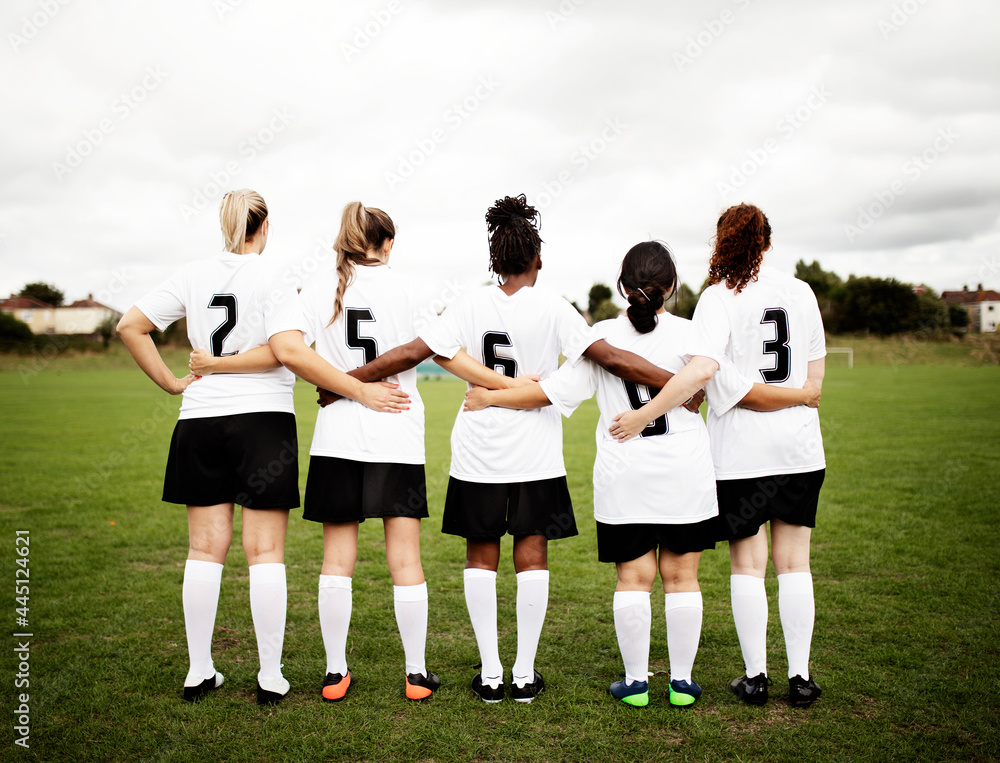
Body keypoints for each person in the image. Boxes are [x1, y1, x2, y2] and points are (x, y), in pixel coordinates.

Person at [195, 201, 529, 703]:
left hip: (337, 437)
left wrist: (341, 385)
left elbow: (293, 352)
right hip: (397, 432)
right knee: (405, 559)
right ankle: (416, 675)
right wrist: (505, 383)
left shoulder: (320, 286)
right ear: (388, 244)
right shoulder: (410, 288)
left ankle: (335, 674)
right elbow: (444, 353)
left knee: (337, 560)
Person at [464, 240, 820, 708]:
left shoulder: (601, 336)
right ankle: (683, 685)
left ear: (621, 287)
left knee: (633, 580)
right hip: (685, 473)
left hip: (623, 473)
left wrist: (494, 395)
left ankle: (635, 684)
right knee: (682, 578)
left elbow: (550, 392)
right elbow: (721, 390)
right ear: (671, 288)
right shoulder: (696, 334)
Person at [117, 189, 409, 706]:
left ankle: (199, 671)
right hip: (262, 424)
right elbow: (284, 352)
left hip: (200, 421)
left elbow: (130, 325)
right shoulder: (276, 277)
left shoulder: (192, 273)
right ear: (264, 224)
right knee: (265, 552)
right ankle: (270, 676)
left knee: (204, 551)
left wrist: (171, 381)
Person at [609, 204, 827, 708]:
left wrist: (645, 415)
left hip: (742, 454)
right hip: (799, 447)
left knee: (748, 567)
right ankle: (801, 679)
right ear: (767, 243)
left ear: (721, 242)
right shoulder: (801, 292)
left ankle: (756, 679)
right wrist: (797, 397)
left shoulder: (717, 297)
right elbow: (814, 384)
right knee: (796, 565)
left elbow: (713, 378)